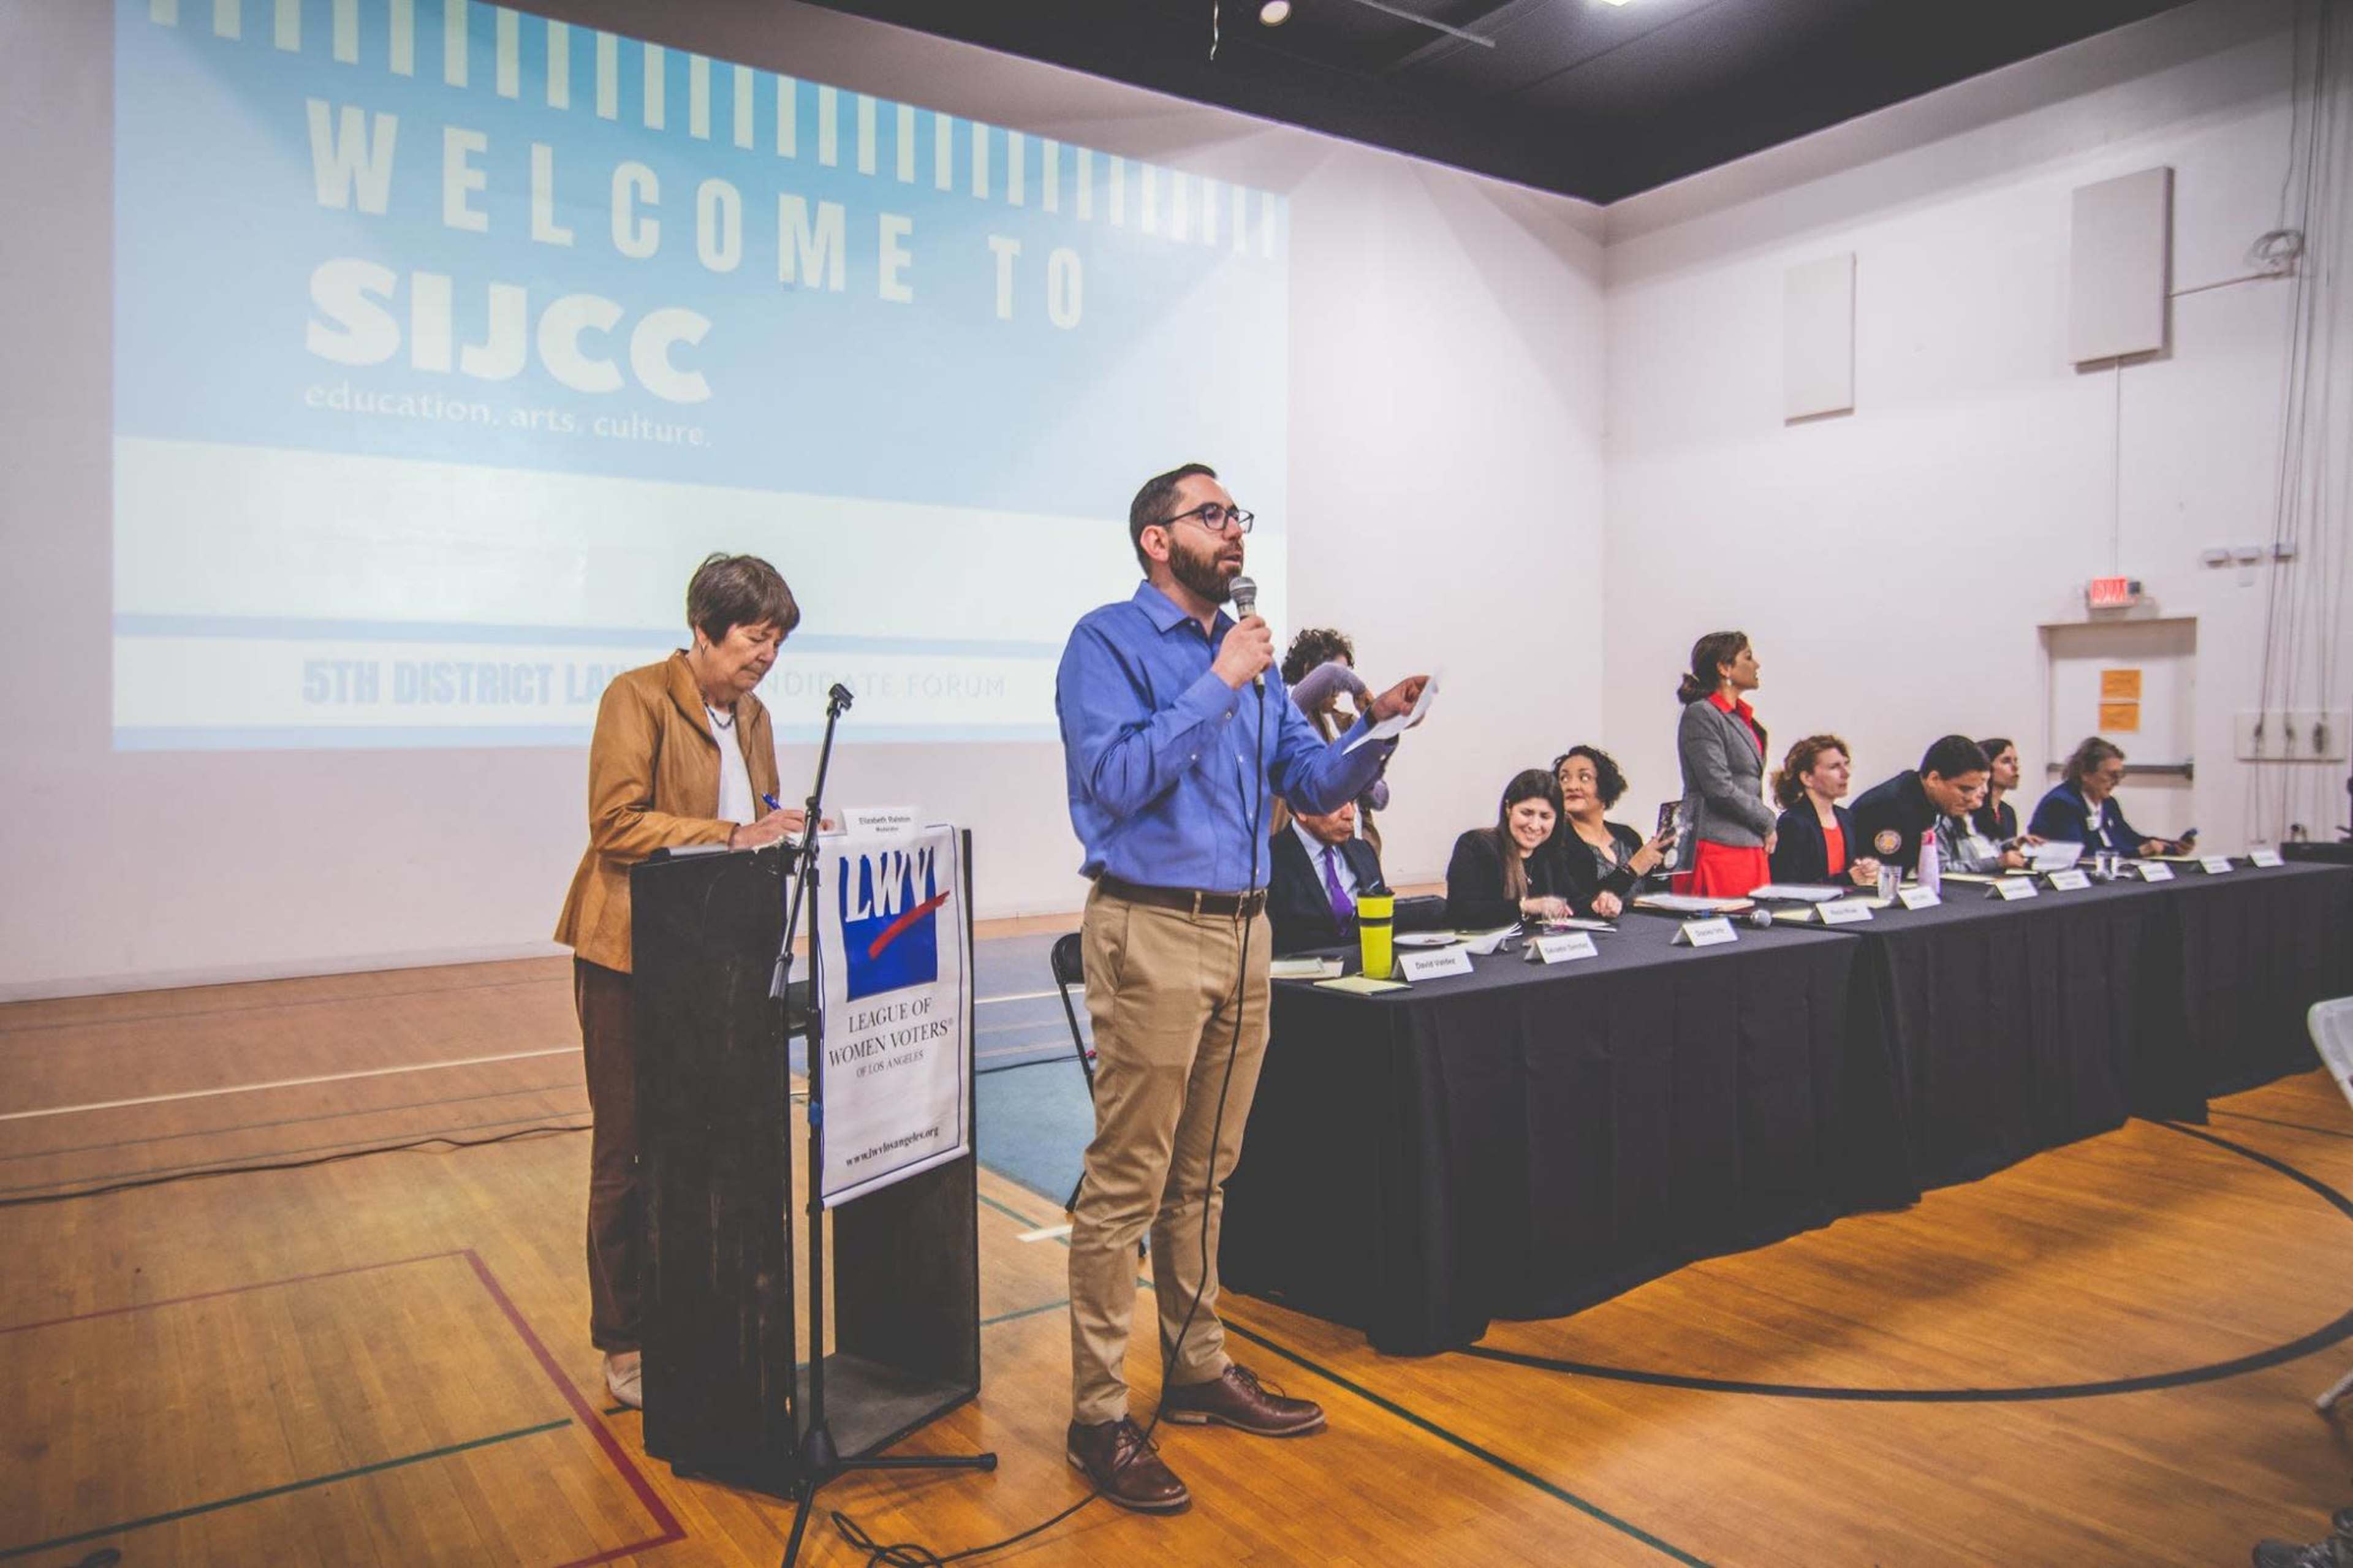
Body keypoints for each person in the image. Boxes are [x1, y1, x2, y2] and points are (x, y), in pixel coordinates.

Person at [1056, 461, 1430, 1513]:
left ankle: (1195, 1365)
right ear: (1156, 538)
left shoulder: (1253, 659)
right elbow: (1116, 778)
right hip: (1151, 925)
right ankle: (1097, 1414)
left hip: (1245, 931)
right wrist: (1219, 679)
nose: (1234, 531)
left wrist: (1376, 728)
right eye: (1211, 514)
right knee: (1126, 1181)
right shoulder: (1108, 643)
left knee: (1205, 1175)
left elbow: (1308, 784)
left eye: (1238, 515)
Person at [553, 552, 808, 1412]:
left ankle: (701, 1309)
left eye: (777, 641)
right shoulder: (637, 697)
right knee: (628, 1151)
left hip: (718, 958)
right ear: (703, 630)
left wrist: (788, 830)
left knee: (709, 1143)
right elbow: (615, 823)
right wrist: (732, 834)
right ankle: (624, 1339)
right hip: (628, 953)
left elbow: (759, 817)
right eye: (754, 637)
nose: (766, 655)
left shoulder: (756, 715)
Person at [1672, 631, 1776, 896]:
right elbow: (1718, 787)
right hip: (1716, 846)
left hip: (1748, 845)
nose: (1757, 665)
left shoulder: (1743, 719)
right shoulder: (1702, 713)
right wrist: (1767, 819)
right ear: (1724, 667)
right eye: (1748, 657)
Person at [1278, 627, 1390, 852]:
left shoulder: (1347, 724)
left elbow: (1381, 798)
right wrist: (1359, 689)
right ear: (1309, 671)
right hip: (1303, 853)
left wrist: (1373, 729)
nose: (1342, 689)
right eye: (1342, 677)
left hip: (1353, 850)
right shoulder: (1287, 715)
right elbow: (1325, 678)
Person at [1849, 735, 2025, 876]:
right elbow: (1884, 874)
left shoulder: (1930, 801)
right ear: (1934, 779)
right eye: (1965, 789)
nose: (1971, 799)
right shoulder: (1891, 807)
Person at [1446, 769, 1580, 928]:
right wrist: (1525, 906)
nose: (1535, 825)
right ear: (1509, 808)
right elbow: (1462, 912)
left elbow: (1573, 901)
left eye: (1545, 816)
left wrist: (1598, 904)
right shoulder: (1475, 845)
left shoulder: (1550, 854)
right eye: (1527, 813)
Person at [1551, 746, 1674, 918]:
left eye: (1584, 777)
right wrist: (1632, 869)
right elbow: (1579, 903)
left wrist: (1662, 867)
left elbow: (1651, 896)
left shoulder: (1628, 836)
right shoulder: (1556, 840)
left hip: (1643, 928)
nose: (1571, 786)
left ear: (1605, 786)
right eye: (1564, 778)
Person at [1267, 798, 1392, 955]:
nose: (1350, 814)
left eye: (1352, 802)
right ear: (1301, 810)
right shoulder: (1268, 862)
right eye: (1337, 803)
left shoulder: (1364, 852)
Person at [2028, 737, 2190, 855]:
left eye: (2120, 775)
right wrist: (2138, 853)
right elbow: (2082, 855)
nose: (2117, 782)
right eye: (2111, 775)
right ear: (2086, 774)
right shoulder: (2061, 804)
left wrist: (2172, 847)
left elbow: (2129, 839)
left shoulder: (2108, 803)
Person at [1768, 734, 1882, 888]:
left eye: (1846, 765)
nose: (1846, 773)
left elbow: (1854, 867)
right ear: (1807, 778)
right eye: (1834, 767)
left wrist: (1867, 869)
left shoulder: (1847, 817)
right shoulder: (1793, 823)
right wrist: (1848, 879)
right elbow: (1786, 886)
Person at [1969, 737, 2039, 845]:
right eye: (2006, 761)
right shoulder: (1971, 809)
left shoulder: (2007, 812)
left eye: (2016, 761)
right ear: (1987, 767)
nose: (2015, 767)